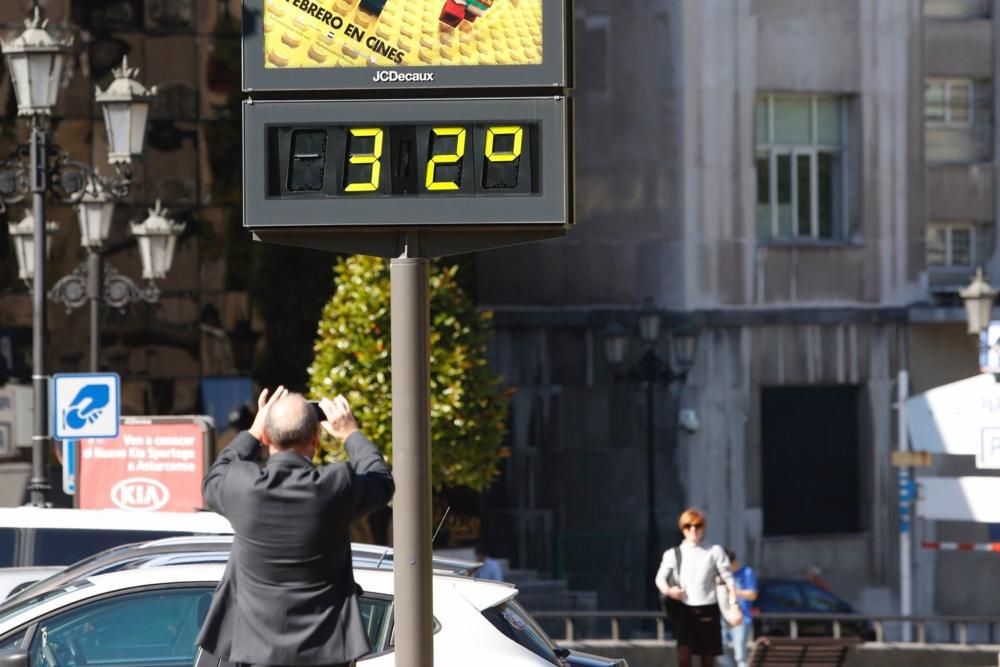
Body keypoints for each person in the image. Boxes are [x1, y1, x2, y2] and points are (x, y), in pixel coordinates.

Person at [196, 386, 394, 667]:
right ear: (315, 439)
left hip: (255, 654)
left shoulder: (240, 486)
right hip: (325, 654)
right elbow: (381, 481)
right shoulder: (335, 486)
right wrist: (350, 433)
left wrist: (252, 432)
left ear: (266, 437)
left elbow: (215, 475)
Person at [655, 508, 736, 667]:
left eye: (697, 526)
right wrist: (669, 591)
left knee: (708, 661)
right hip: (686, 611)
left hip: (709, 610)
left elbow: (729, 580)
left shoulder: (714, 551)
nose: (693, 530)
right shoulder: (674, 553)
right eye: (688, 526)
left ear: (703, 528)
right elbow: (660, 579)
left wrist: (733, 606)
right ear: (682, 528)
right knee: (684, 659)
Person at [720, 549, 757, 667]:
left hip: (742, 618)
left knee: (741, 655)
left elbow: (753, 595)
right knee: (719, 650)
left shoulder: (747, 572)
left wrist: (733, 591)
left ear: (732, 562)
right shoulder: (723, 575)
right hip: (725, 617)